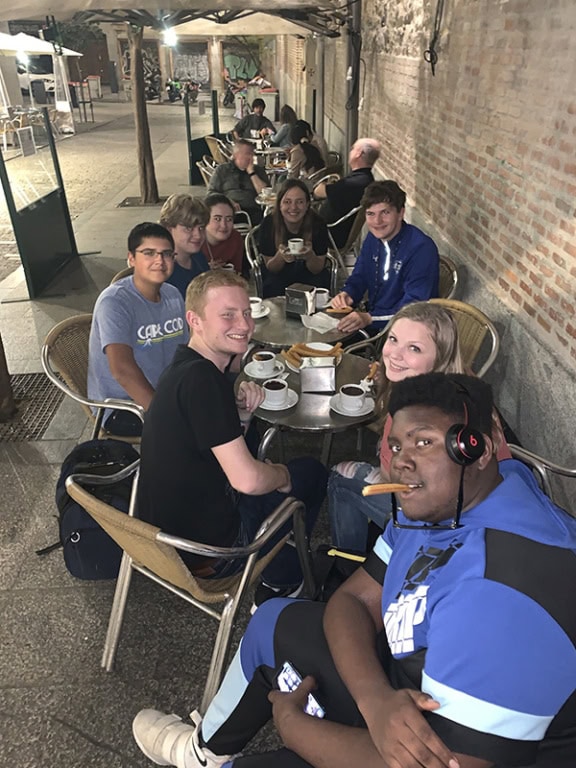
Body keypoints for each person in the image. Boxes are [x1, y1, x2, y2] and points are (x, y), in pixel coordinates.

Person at [132, 371, 576, 768]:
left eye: (424, 442)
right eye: (397, 445)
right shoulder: (439, 507)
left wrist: (296, 729)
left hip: (456, 749)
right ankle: (203, 754)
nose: (401, 460)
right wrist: (375, 701)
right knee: (274, 620)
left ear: (477, 447)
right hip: (408, 691)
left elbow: (442, 761)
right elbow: (352, 599)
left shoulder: (501, 593)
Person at [136, 269, 327, 604]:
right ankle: (284, 578)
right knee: (310, 474)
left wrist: (241, 415)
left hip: (161, 541)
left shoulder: (184, 368)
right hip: (210, 554)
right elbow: (248, 481)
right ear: (194, 320)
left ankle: (281, 559)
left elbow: (209, 449)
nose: (244, 325)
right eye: (227, 315)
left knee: (274, 473)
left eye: (246, 313)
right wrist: (281, 476)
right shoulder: (204, 382)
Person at [328, 301, 512, 552]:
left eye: (414, 348)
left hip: (454, 531)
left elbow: (396, 477)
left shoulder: (422, 412)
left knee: (341, 475)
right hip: (501, 504)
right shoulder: (462, 381)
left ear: (441, 356)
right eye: (393, 339)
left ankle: (350, 561)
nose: (394, 354)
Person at [87, 222, 186, 437]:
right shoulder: (114, 302)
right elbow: (121, 370)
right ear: (131, 258)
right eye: (149, 253)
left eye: (167, 254)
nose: (159, 261)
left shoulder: (173, 295)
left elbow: (186, 351)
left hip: (168, 392)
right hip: (124, 407)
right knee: (201, 426)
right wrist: (165, 413)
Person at [331, 180, 439, 335]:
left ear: (401, 213)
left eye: (385, 212)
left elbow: (414, 309)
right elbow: (359, 276)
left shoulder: (421, 249)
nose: (377, 221)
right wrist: (348, 294)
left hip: (407, 333)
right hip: (375, 323)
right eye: (370, 214)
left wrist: (370, 318)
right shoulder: (373, 238)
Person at [257, 179, 330, 297]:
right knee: (272, 285)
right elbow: (271, 268)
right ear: (279, 205)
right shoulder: (269, 223)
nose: (293, 207)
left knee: (320, 284)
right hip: (279, 275)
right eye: (287, 202)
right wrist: (281, 256)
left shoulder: (318, 224)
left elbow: (317, 269)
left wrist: (310, 256)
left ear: (307, 205)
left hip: (309, 274)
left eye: (300, 202)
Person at [314, 137, 381, 248]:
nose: (350, 151)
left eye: (353, 148)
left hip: (329, 234)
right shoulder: (364, 179)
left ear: (359, 154)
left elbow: (318, 192)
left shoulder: (355, 183)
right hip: (332, 231)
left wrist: (326, 185)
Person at [159, 194, 210, 299]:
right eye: (188, 228)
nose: (198, 235)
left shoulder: (199, 258)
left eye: (201, 228)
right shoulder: (163, 271)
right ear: (169, 229)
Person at [208, 140, 269, 225]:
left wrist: (252, 173)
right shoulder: (222, 170)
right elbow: (211, 193)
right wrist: (227, 201)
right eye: (247, 154)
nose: (251, 157)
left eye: (252, 154)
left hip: (253, 211)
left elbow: (266, 193)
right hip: (227, 212)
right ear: (236, 155)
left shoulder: (258, 171)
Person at [201, 193, 245, 274]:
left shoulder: (235, 238)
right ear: (204, 219)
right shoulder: (195, 240)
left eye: (229, 219)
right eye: (217, 219)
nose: (224, 225)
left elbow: (238, 272)